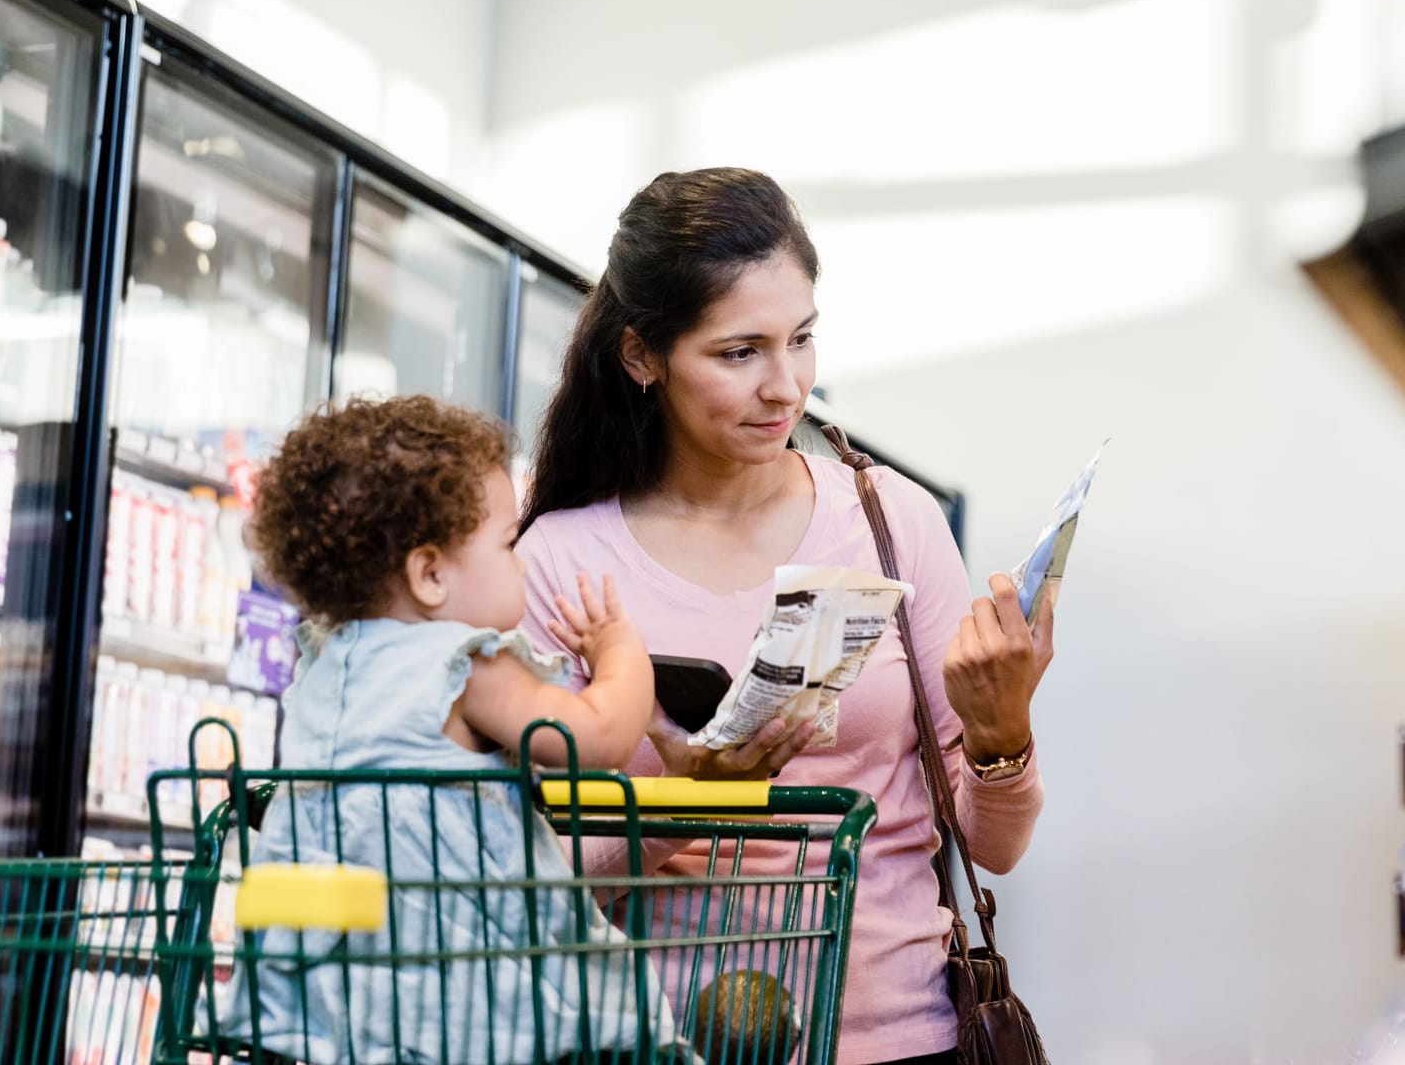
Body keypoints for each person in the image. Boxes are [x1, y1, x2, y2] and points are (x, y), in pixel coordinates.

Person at [517, 167, 1055, 1065]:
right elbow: (517, 871)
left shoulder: (892, 522)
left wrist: (1003, 733)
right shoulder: (560, 559)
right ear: (642, 356)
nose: (786, 386)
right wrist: (691, 809)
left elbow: (991, 849)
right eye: (740, 352)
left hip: (901, 1043)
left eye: (801, 339)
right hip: (654, 1042)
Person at [230, 394, 675, 1062]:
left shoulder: (322, 665)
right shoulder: (465, 666)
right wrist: (621, 654)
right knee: (613, 1004)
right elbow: (600, 737)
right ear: (430, 574)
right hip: (474, 984)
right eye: (508, 545)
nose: (523, 563)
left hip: (347, 994)